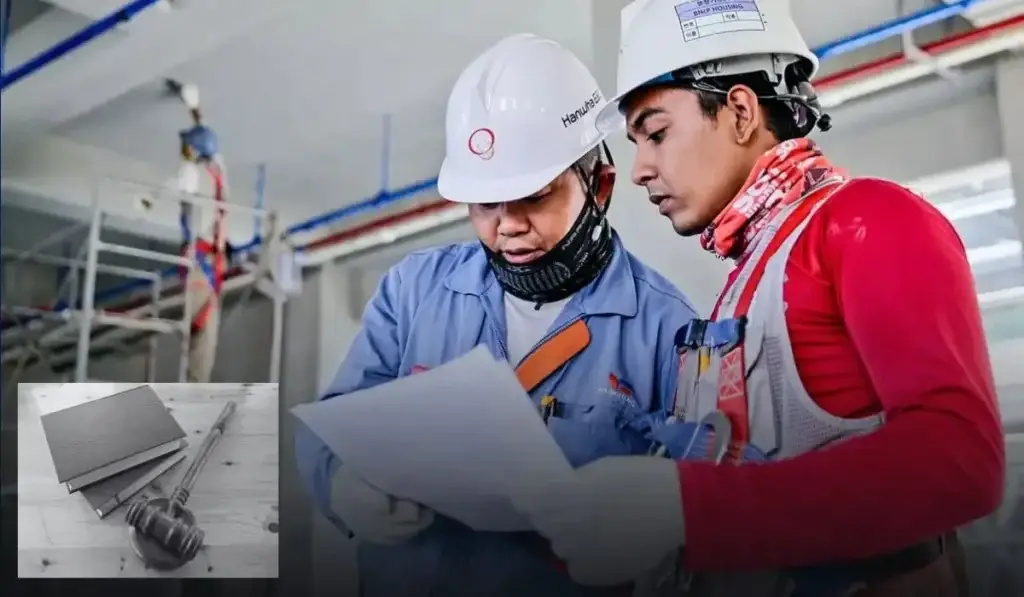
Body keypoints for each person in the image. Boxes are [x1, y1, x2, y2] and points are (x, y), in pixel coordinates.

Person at [510, 2, 1005, 596]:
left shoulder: (869, 221)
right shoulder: (745, 286)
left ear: (741, 111)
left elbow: (958, 464)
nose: (640, 169)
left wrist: (684, 510)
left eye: (656, 133)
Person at [294, 33, 698, 597]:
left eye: (534, 195)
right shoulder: (414, 292)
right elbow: (330, 431)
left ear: (599, 186)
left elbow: (696, 515)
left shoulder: (668, 331)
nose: (505, 225)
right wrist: (343, 488)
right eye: (485, 203)